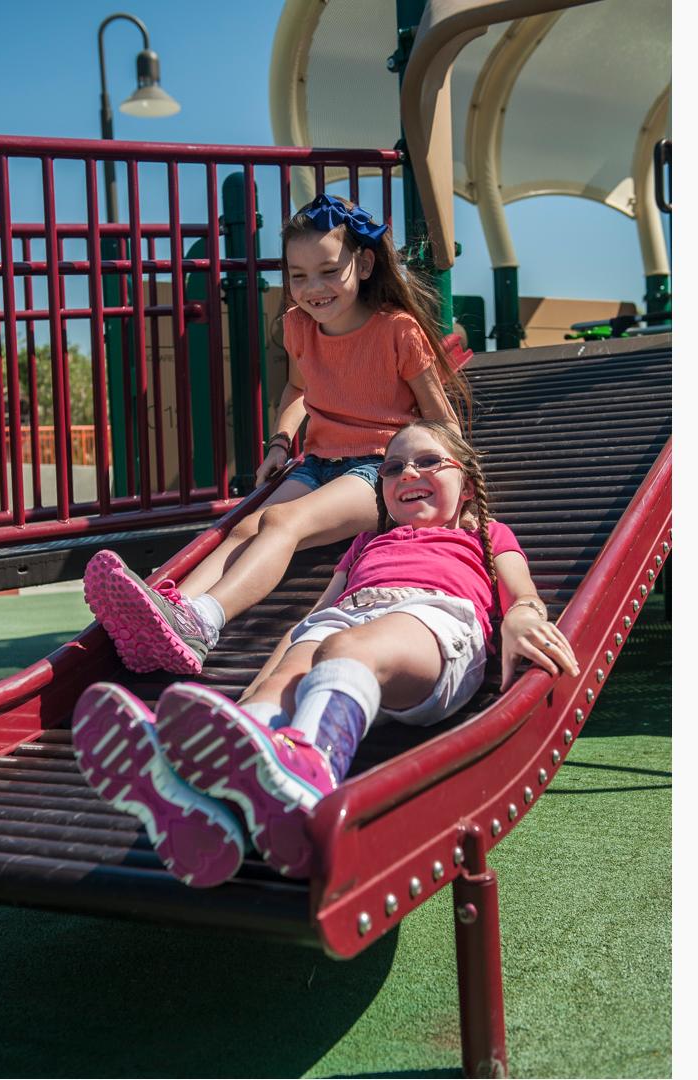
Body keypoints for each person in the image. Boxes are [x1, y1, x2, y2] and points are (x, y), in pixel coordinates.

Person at [70, 420, 580, 888]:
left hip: (435, 621)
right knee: (291, 672)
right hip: (348, 618)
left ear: (466, 484)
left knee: (346, 647)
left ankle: (309, 776)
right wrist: (266, 681)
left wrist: (522, 618)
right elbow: (317, 615)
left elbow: (521, 590)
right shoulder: (365, 541)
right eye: (394, 467)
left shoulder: (482, 533)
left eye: (428, 462)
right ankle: (207, 806)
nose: (408, 473)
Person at [82, 193, 472, 676]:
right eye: (298, 276)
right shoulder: (298, 327)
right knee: (242, 526)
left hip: (378, 467)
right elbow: (296, 387)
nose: (314, 288)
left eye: (330, 271)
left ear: (365, 263)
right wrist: (280, 442)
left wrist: (452, 485)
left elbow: (441, 419)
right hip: (317, 461)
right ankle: (168, 611)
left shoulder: (398, 331)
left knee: (281, 523)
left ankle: (203, 621)